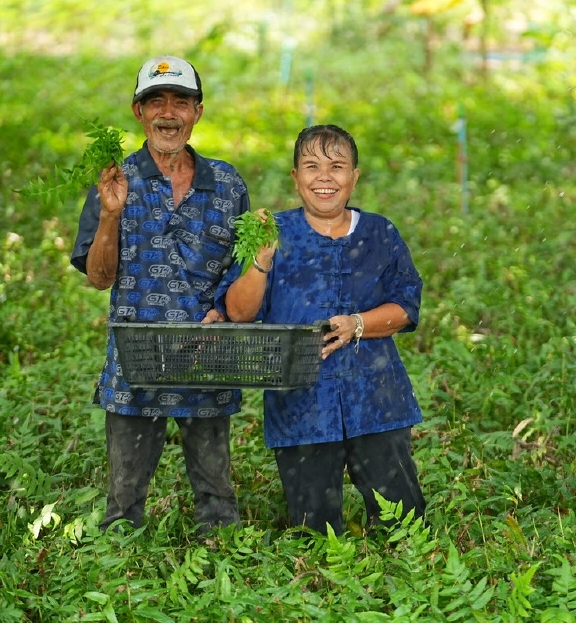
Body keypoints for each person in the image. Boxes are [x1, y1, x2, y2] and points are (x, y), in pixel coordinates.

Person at [216, 124, 427, 535]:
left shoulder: (379, 233)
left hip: (377, 399)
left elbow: (406, 306)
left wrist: (359, 324)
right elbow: (238, 313)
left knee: (403, 523)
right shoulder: (271, 231)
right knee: (314, 530)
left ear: (355, 176)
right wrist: (261, 260)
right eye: (311, 166)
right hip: (300, 403)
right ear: (295, 177)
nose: (325, 177)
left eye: (337, 166)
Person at [70, 55, 250, 534]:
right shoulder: (115, 180)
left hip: (207, 357)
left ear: (198, 112)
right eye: (156, 101)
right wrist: (111, 214)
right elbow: (98, 277)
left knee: (218, 504)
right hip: (136, 361)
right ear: (138, 112)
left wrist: (223, 311)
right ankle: (121, 572)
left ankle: (220, 577)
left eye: (180, 102)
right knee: (122, 506)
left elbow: (243, 269)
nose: (168, 113)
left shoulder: (228, 184)